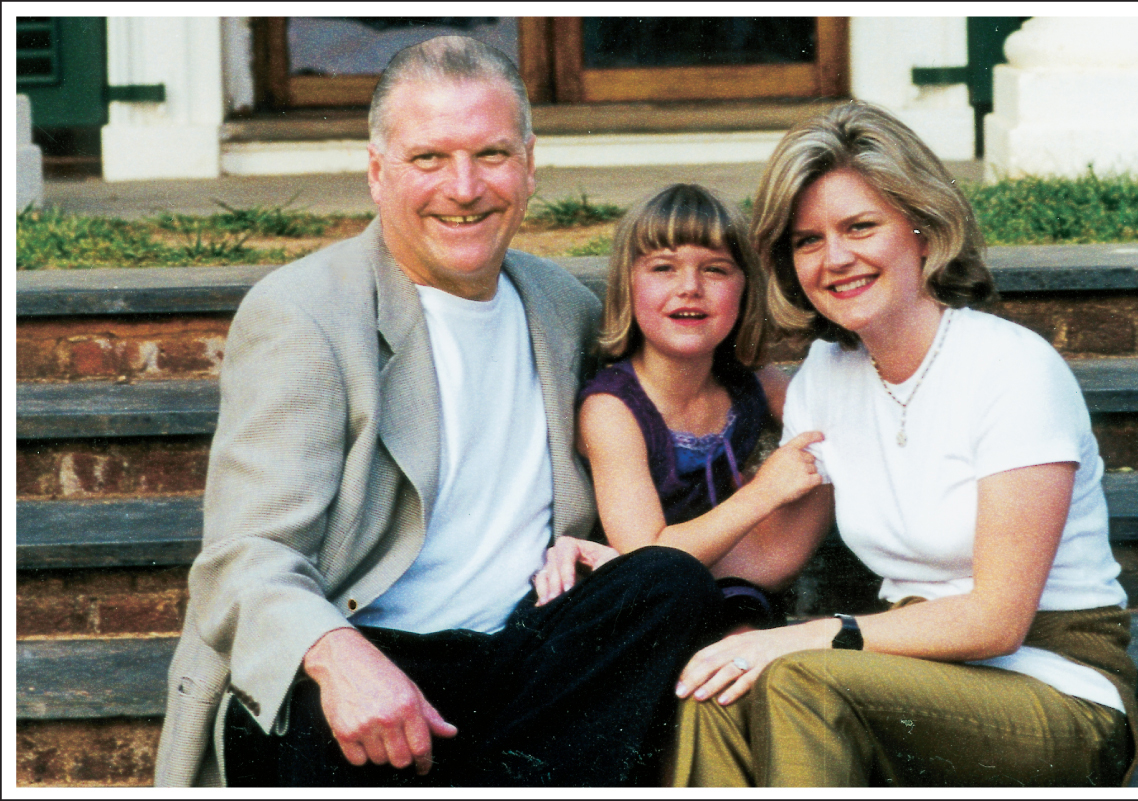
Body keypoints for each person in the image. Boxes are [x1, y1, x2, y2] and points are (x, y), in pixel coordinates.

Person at [154, 36, 723, 788]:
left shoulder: (564, 310)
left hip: (520, 668)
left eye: (489, 154)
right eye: (428, 158)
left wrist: (593, 548)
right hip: (369, 671)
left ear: (527, 164)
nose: (463, 187)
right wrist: (338, 654)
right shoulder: (306, 314)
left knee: (666, 583)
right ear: (376, 170)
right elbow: (243, 557)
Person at [669, 102, 1138, 787]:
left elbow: (998, 618)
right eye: (806, 240)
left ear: (921, 230)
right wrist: (634, 564)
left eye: (860, 226)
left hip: (1055, 690)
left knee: (799, 677)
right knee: (718, 687)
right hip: (902, 676)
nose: (834, 258)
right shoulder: (824, 381)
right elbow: (771, 553)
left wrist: (810, 633)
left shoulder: (1011, 368)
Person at [566, 183, 824, 629]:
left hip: (745, 576)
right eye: (663, 268)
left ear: (745, 289)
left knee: (834, 445)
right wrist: (763, 493)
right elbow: (646, 557)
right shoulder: (612, 409)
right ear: (627, 286)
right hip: (647, 602)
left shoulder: (748, 382)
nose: (690, 288)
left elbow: (830, 423)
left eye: (716, 270)